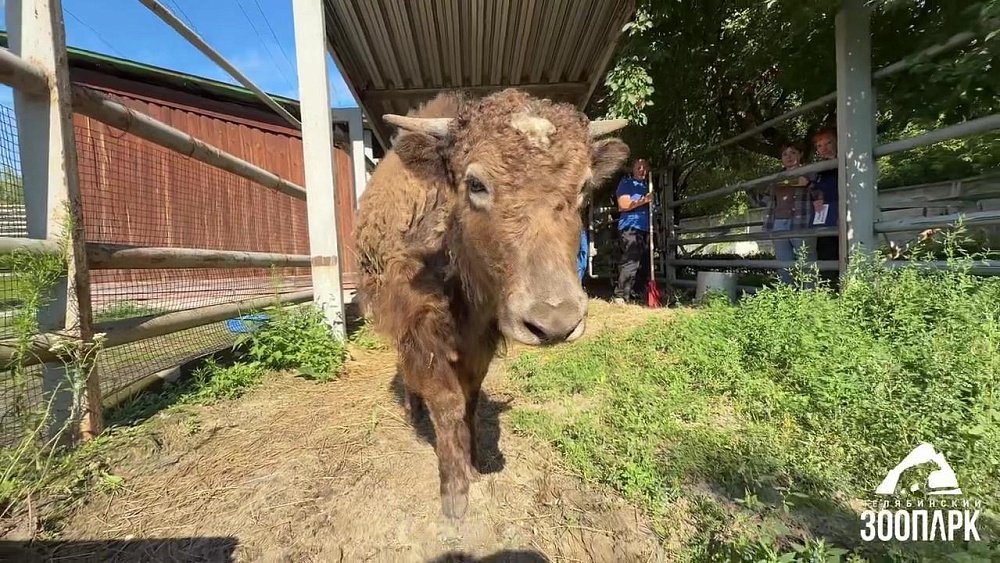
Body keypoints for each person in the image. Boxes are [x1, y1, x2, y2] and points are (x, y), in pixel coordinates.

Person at [754, 142, 816, 285]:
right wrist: (748, 190)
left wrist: (806, 184)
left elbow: (819, 191)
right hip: (778, 223)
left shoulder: (810, 172)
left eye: (793, 153)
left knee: (806, 260)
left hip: (802, 221)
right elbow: (765, 200)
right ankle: (786, 294)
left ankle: (811, 296)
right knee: (783, 263)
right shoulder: (776, 178)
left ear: (800, 155)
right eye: (785, 154)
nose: (789, 157)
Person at [612, 158, 652, 304]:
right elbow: (623, 205)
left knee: (645, 263)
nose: (642, 170)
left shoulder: (649, 186)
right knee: (631, 261)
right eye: (639, 167)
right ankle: (620, 295)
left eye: (645, 167)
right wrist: (644, 200)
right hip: (630, 227)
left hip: (647, 228)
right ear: (633, 169)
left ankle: (636, 293)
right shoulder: (626, 183)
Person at [808, 126, 840, 287]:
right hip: (824, 217)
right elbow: (815, 188)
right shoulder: (820, 169)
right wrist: (816, 196)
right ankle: (829, 289)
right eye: (819, 146)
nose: (824, 149)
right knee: (826, 252)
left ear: (836, 142)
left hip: (842, 213)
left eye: (828, 143)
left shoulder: (845, 162)